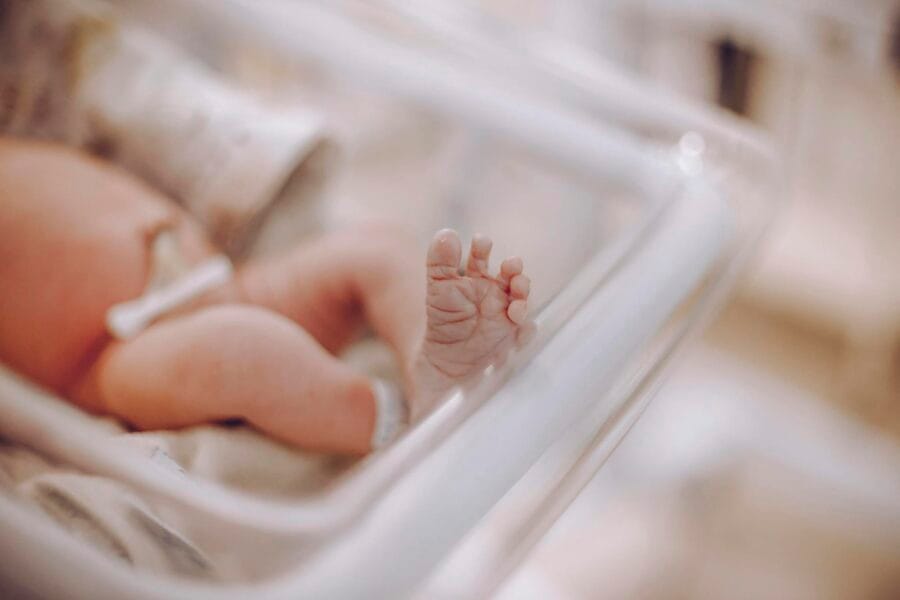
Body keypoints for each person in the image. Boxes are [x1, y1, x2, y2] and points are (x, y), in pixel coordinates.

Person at [0, 138, 533, 454]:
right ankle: (389, 420)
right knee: (239, 354)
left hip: (216, 280)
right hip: (114, 357)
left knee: (373, 247)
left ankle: (433, 360)